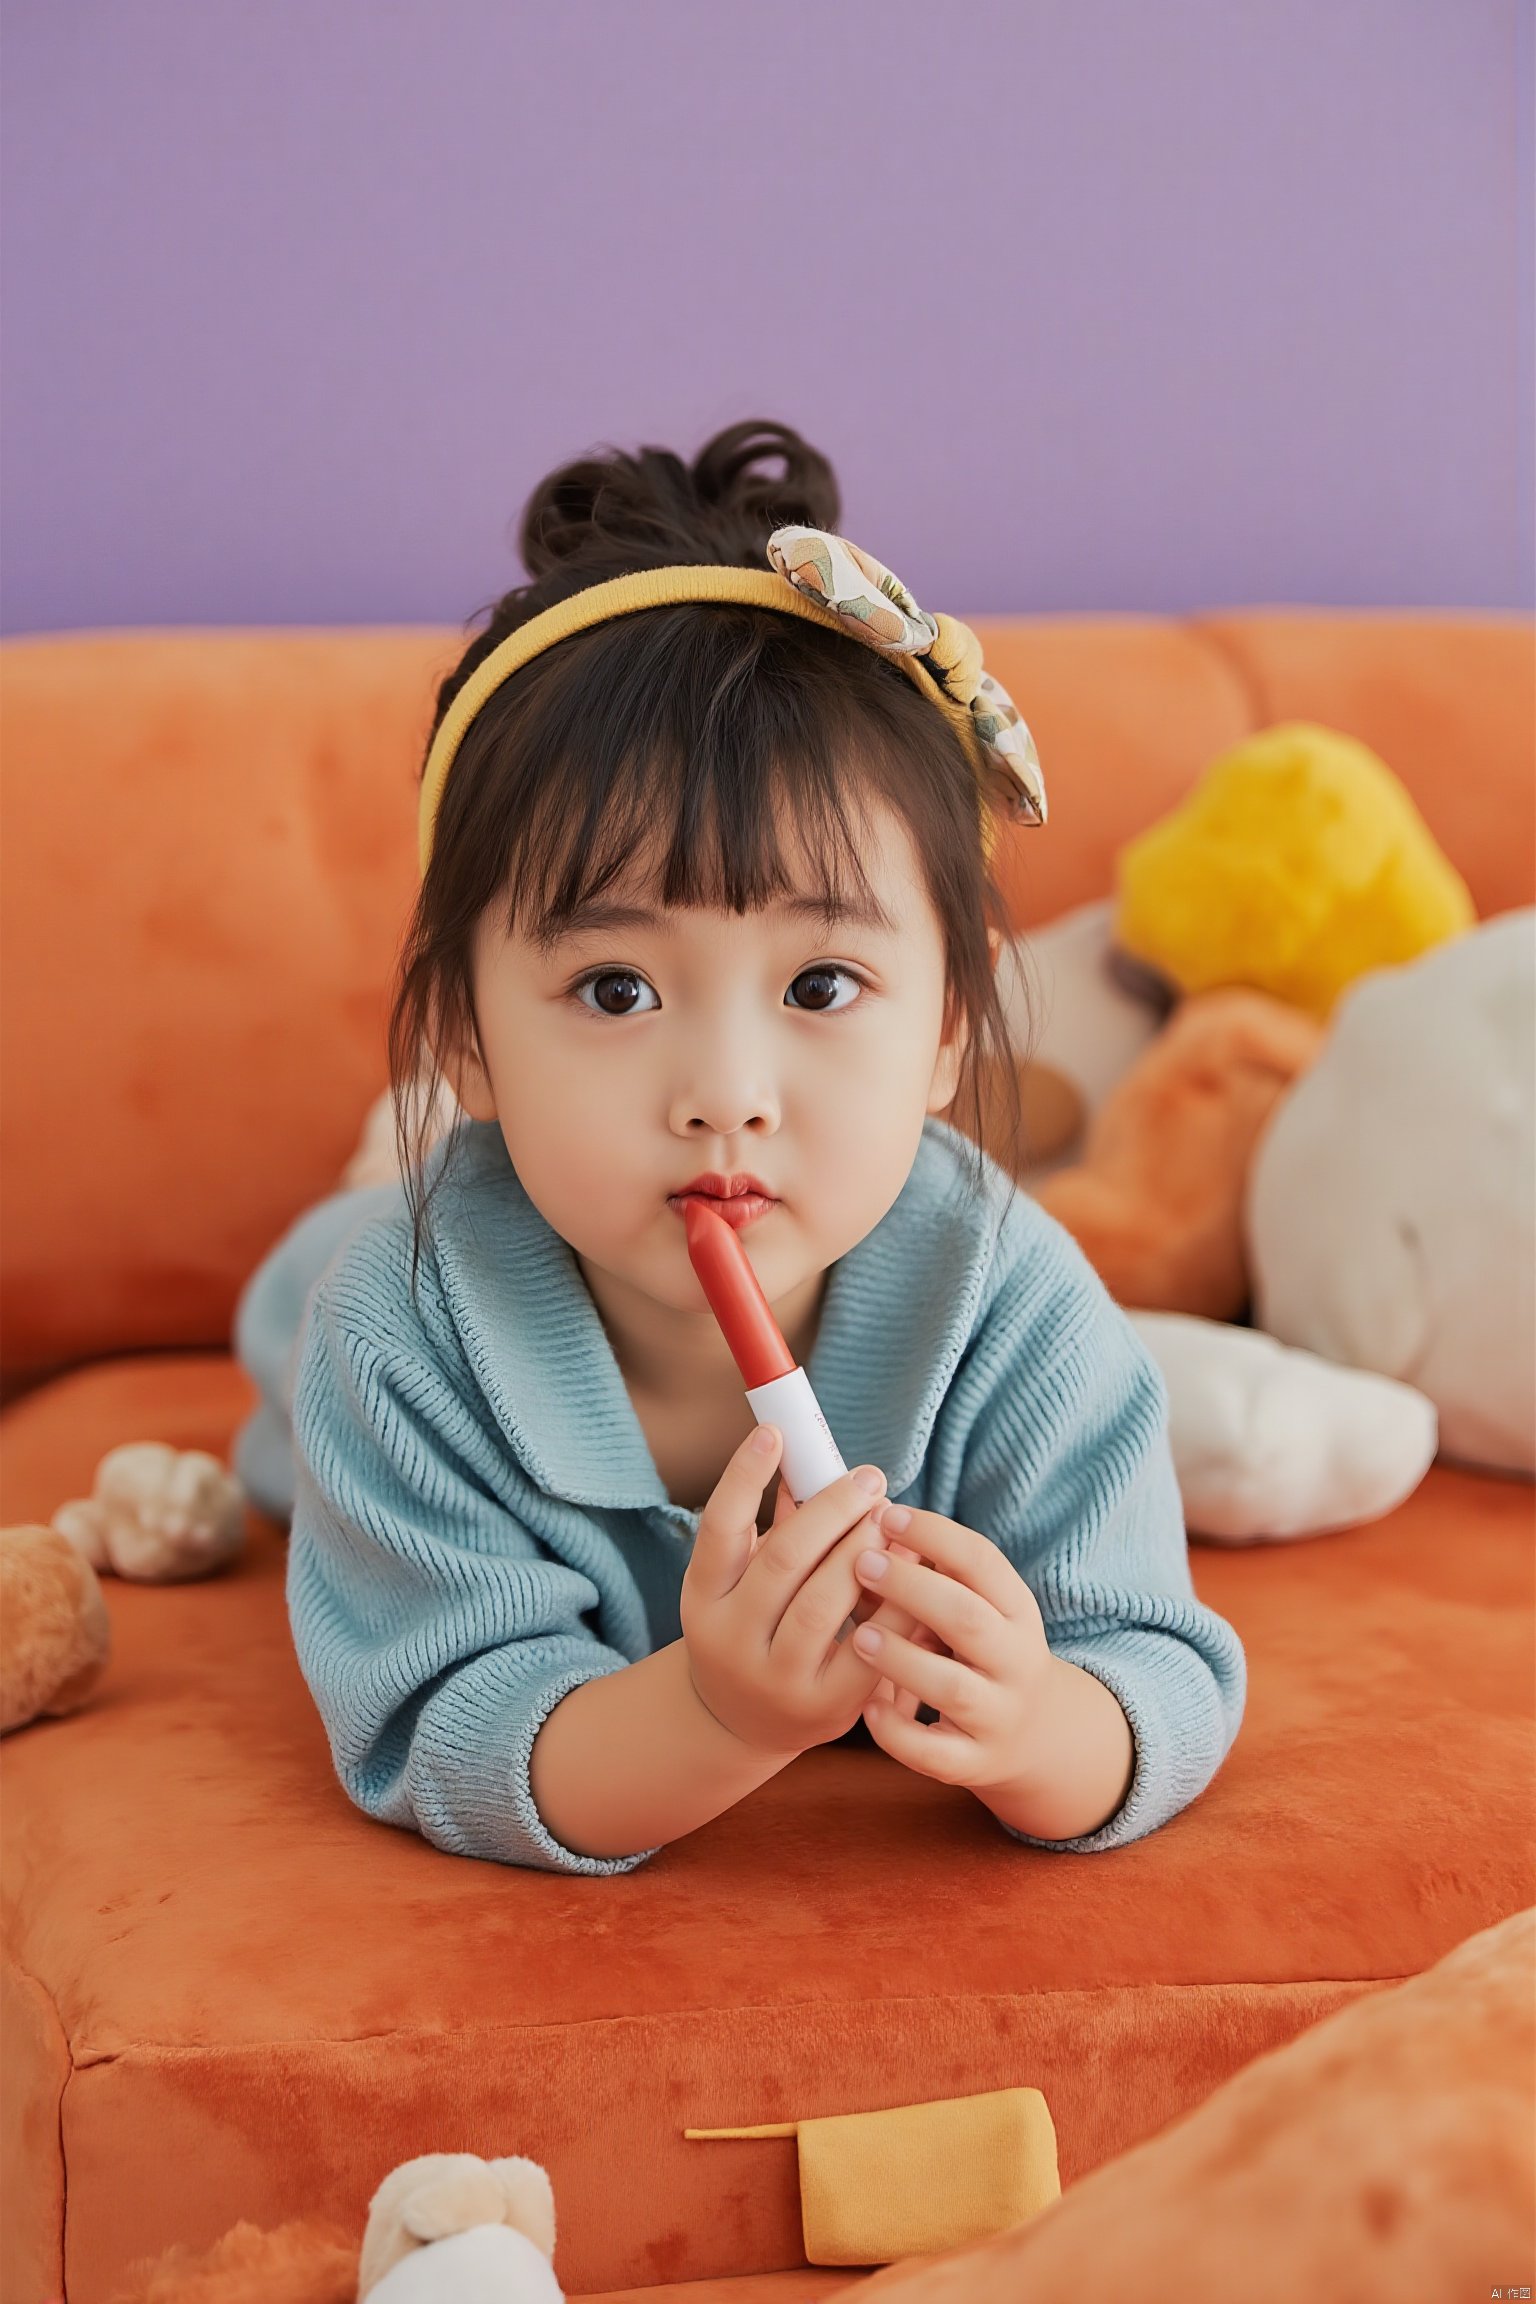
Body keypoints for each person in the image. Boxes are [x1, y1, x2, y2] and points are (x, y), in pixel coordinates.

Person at [233, 418, 1244, 1877]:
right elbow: (437, 1726)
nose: (727, 1097)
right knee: (301, 1330)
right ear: (459, 1031)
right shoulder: (401, 1331)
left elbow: (1156, 1668)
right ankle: (345, 1223)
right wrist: (715, 1716)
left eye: (821, 987)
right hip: (347, 1290)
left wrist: (1041, 1732)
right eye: (616, 990)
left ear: (951, 1029)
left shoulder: (1010, 1299)